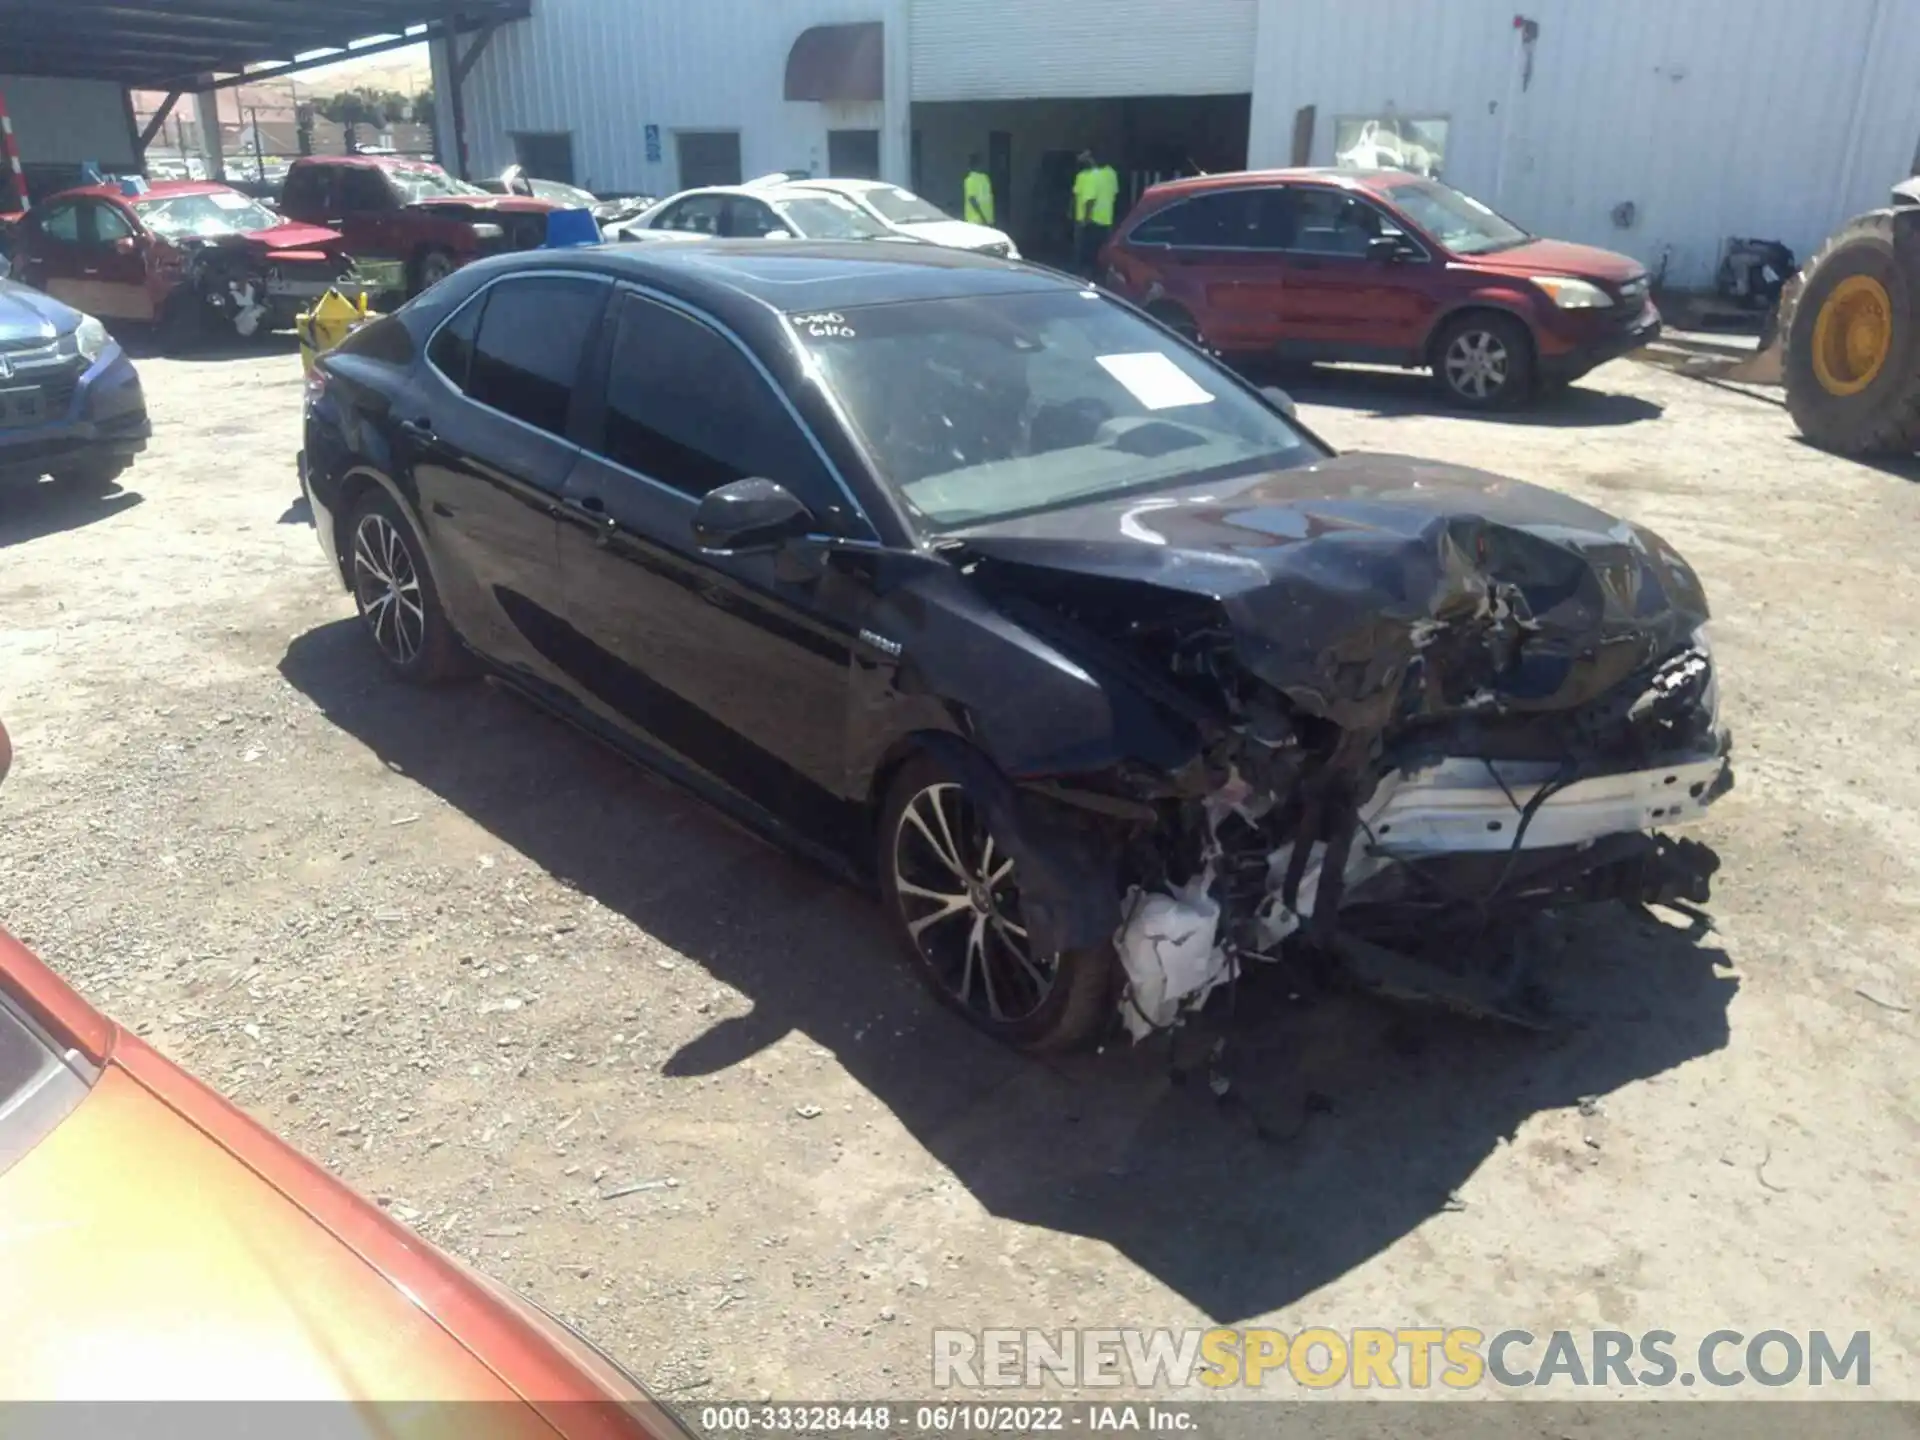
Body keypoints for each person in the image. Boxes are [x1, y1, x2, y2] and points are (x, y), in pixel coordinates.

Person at [1071, 148, 1119, 277]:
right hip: (1107, 221)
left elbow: (1089, 200)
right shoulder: (1111, 174)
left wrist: (1085, 219)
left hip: (1089, 223)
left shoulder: (1088, 176)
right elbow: (1114, 194)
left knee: (1085, 259)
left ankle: (1084, 282)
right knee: (1102, 258)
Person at [962, 153, 994, 226]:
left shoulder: (971, 180)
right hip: (984, 219)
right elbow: (973, 200)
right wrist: (985, 218)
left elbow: (973, 200)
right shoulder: (985, 179)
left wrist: (984, 218)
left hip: (979, 220)